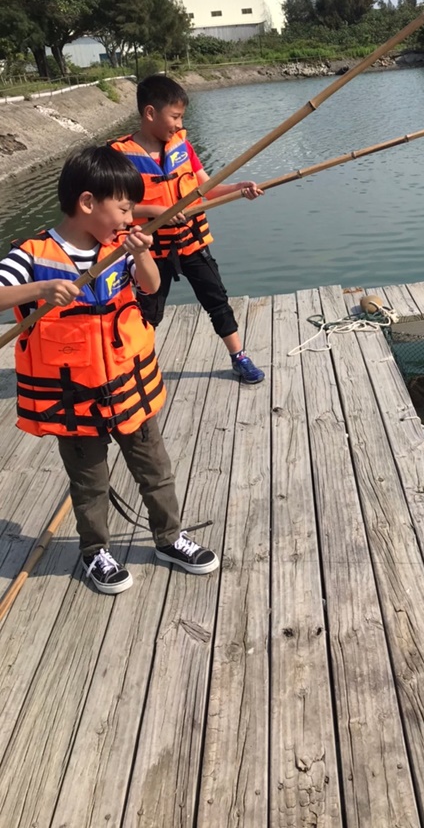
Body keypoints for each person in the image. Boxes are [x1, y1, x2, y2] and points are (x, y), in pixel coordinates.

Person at [0, 146, 219, 595]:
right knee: (89, 484)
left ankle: (169, 537)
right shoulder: (32, 253)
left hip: (128, 389)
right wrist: (39, 288)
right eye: (122, 208)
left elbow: (150, 286)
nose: (128, 217)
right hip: (73, 400)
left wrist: (143, 255)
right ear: (87, 203)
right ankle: (95, 551)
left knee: (156, 470)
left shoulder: (119, 246)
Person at [110, 75, 265, 383]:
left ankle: (239, 356)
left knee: (216, 299)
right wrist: (155, 211)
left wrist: (238, 188)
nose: (179, 124)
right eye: (175, 116)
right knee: (148, 311)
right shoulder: (119, 157)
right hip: (149, 252)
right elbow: (113, 210)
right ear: (150, 113)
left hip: (191, 242)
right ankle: (137, 365)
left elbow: (208, 188)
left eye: (182, 117)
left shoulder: (182, 146)